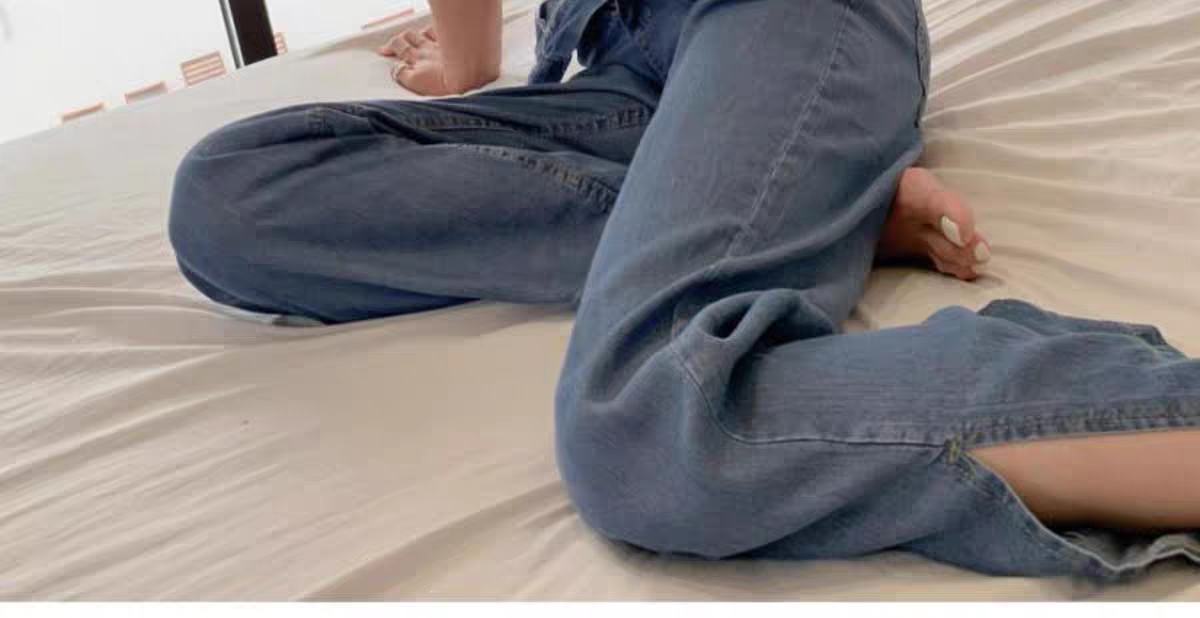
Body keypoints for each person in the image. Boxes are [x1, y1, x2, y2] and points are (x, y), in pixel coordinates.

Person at [169, 0, 1200, 579]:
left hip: (781, 17)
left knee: (659, 423)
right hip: (615, 60)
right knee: (231, 197)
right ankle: (824, 201)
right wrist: (467, 65)